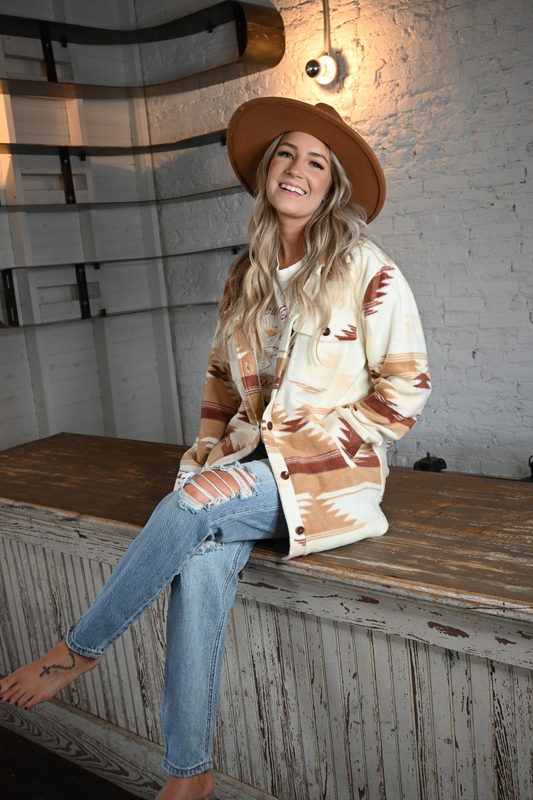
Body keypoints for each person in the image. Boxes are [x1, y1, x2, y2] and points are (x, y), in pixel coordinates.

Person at [0, 97, 430, 800]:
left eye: (315, 162)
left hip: (327, 474)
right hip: (246, 465)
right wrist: (209, 457)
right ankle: (189, 773)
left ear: (330, 188)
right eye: (286, 154)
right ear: (268, 172)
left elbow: (404, 389)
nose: (296, 169)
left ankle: (75, 654)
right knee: (198, 557)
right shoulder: (245, 274)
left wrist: (310, 446)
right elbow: (218, 388)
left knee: (192, 506)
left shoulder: (366, 268)